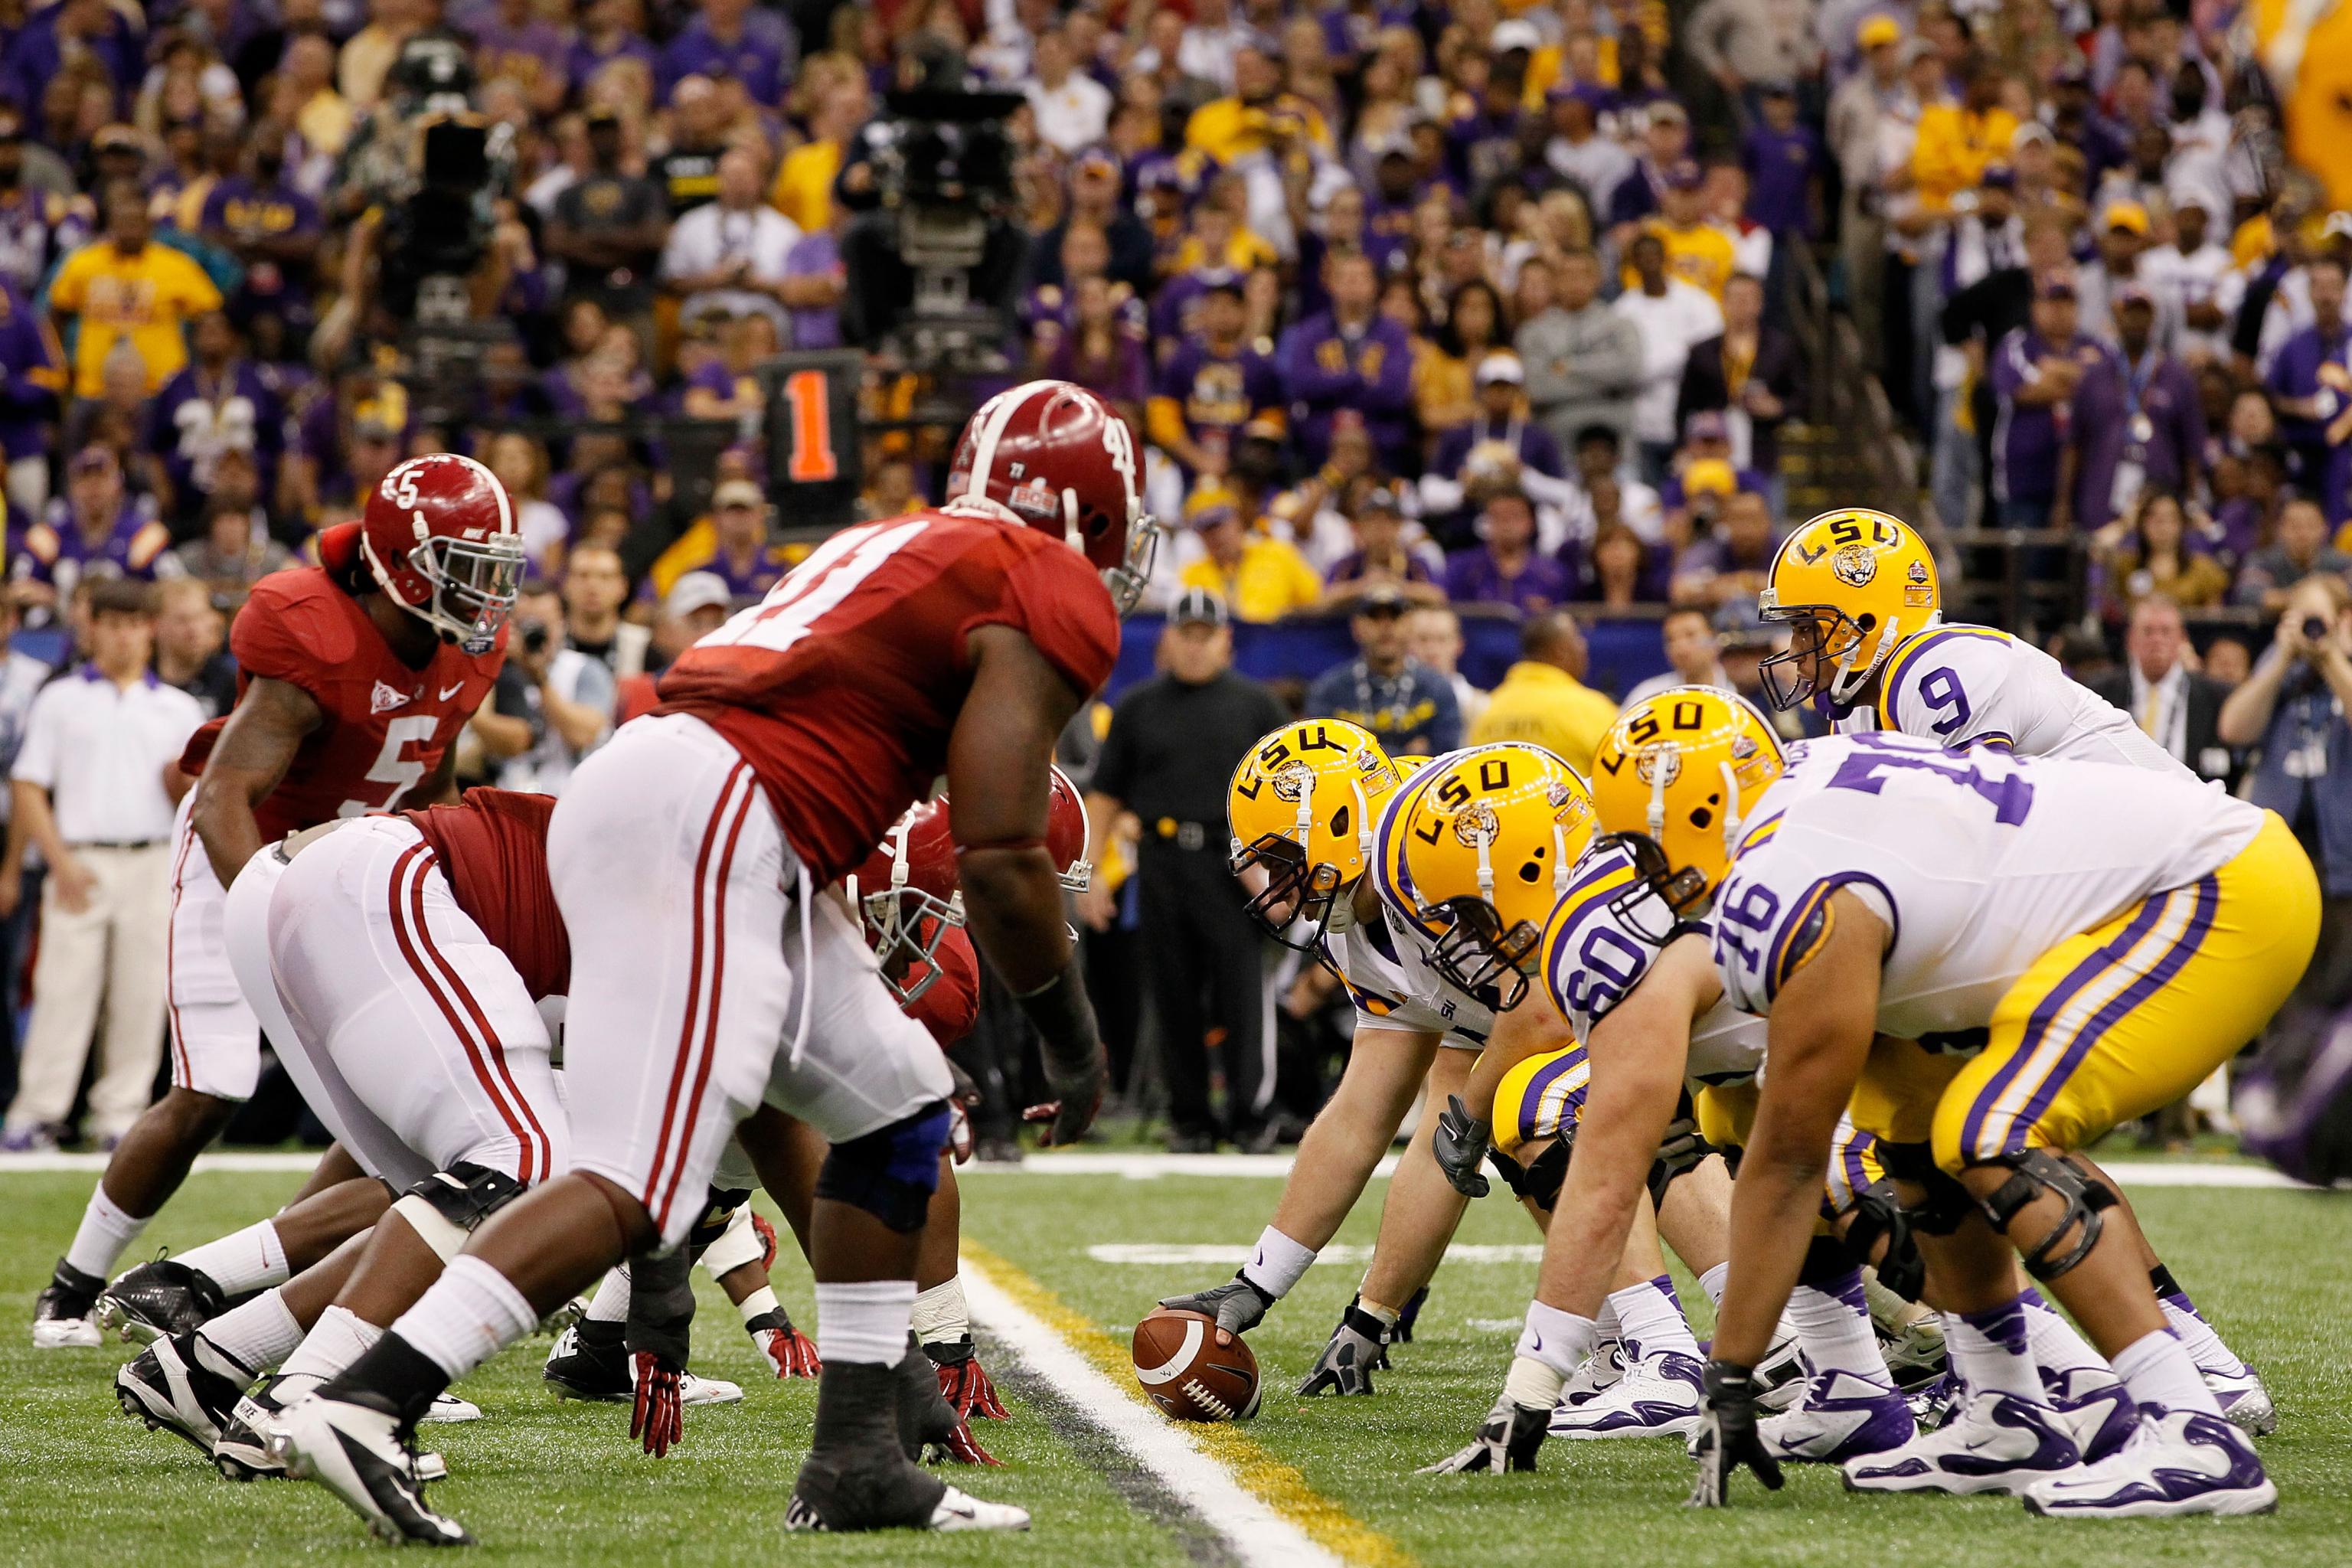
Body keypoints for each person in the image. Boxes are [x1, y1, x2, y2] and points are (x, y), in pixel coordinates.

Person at [273, 381, 1138, 1541]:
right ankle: (370, 1399)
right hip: (719, 818)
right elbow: (1002, 852)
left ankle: (858, 1459)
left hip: (694, 798)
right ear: (1088, 511)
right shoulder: (1043, 579)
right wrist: (1074, 1043)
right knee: (642, 1180)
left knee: (896, 1099)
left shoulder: (897, 543)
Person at [1693, 732, 2308, 1517]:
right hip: (2182, 874)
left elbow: (1787, 1167)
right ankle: (2006, 1411)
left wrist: (1733, 1370)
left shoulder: (1791, 891)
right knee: (1909, 1126)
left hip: (2218, 881)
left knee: (1992, 1130)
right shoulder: (1806, 788)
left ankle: (2192, 1427)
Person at [28, 456, 515, 1352]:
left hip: (352, 864)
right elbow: (222, 798)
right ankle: (70, 1288)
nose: (488, 590)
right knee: (212, 1084)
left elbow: (430, 779)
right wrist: (281, 917)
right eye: (466, 562)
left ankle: (279, 1299)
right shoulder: (313, 630)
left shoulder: (464, 648)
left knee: (382, 1106)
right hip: (240, 853)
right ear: (406, 566)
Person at [1155, 724, 1499, 1391]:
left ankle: (1650, 1342)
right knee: (1482, 1118)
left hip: (1657, 986)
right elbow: (1362, 1117)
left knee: (1534, 1118)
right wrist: (1266, 1286)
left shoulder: (1441, 858)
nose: (1274, 880)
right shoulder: (1359, 910)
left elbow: (1541, 1020)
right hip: (1580, 1015)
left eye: (1283, 855)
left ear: (1341, 825)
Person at [1081, 586, 1287, 1152]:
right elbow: (1104, 798)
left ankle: (1251, 1116)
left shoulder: (1256, 705)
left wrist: (1281, 873)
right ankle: (1190, 1118)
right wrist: (1092, 872)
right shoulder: (1138, 707)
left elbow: (1291, 795)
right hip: (1161, 861)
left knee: (1243, 991)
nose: (1195, 648)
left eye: (1205, 636)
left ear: (1226, 641)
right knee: (1171, 995)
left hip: (1234, 863)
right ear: (1168, 640)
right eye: (1185, 636)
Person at [0, 581, 202, 1152]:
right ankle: (37, 1112)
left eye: (134, 623)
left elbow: (195, 798)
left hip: (153, 860)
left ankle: (120, 1115)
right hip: (80, 859)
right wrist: (57, 860)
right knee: (62, 988)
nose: (123, 635)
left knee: (141, 993)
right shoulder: (61, 698)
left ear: (150, 630)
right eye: (112, 623)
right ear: (92, 629)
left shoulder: (179, 708)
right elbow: (28, 784)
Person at [2220, 572, 2352, 1019]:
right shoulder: (2278, 672)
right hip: (2281, 860)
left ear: (2343, 619)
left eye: (2319, 618)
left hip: (2345, 864)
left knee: (2338, 995)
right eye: (2301, 617)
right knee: (2283, 998)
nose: (2311, 629)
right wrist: (2279, 660)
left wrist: (2333, 657)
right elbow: (2234, 729)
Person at [44, 179, 224, 400]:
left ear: (150, 227)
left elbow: (210, 314)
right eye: (123, 223)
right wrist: (61, 364)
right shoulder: (84, 263)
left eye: (137, 224)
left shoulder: (175, 265)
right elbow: (57, 314)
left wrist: (195, 370)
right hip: (93, 389)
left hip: (161, 388)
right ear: (111, 226)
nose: (130, 231)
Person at [2071, 284, 2205, 531]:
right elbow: (2074, 443)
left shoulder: (2177, 377)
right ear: (2116, 318)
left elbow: (2192, 448)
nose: (2136, 321)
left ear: (2153, 319)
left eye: (2142, 315)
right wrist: (2063, 503)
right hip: (2101, 494)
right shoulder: (2095, 376)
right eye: (2129, 314)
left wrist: (2192, 501)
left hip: (2159, 499)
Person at [1278, 248, 1414, 472]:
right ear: (1331, 284)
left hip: (1378, 441)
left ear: (1375, 286)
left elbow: (1394, 392)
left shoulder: (1393, 333)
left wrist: (1331, 386)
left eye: (1360, 278)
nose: (1353, 285)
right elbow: (1302, 384)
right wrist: (1360, 378)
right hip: (1320, 443)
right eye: (1346, 278)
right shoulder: (1310, 332)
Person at [1991, 276, 2110, 530]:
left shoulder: (2097, 346)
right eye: (2051, 302)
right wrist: (2079, 379)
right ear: (2035, 306)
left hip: (2085, 481)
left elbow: (2109, 389)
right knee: (2025, 564)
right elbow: (2019, 390)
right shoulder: (2018, 344)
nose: (2059, 310)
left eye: (2067, 303)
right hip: (2025, 479)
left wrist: (2056, 369)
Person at [2087, 595, 2234, 785]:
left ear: (2182, 640)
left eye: (2166, 632)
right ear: (2131, 639)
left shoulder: (2216, 696)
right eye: (2148, 632)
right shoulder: (2100, 693)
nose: (2157, 640)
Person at [1612, 233, 1724, 480]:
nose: (1649, 262)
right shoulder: (1623, 309)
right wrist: (1681, 354)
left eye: (1654, 256)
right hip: (1643, 417)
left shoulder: (1697, 302)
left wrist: (1659, 365)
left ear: (1666, 259)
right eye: (1642, 257)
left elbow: (1711, 353)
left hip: (1693, 416)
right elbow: (1627, 369)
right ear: (1633, 263)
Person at [658, 146, 803, 337]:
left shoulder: (786, 230)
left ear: (761, 180)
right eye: (730, 176)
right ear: (717, 179)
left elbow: (800, 289)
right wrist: (714, 279)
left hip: (766, 327)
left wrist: (760, 284)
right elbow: (671, 282)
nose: (738, 183)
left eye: (744, 176)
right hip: (704, 326)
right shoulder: (690, 224)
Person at [1305, 586, 1461, 756]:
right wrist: (1408, 752)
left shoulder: (1437, 688)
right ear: (1357, 627)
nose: (1385, 626)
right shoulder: (1330, 690)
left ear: (1409, 625)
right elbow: (1321, 756)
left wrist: (1360, 753)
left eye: (1394, 616)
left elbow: (1445, 757)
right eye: (1375, 617)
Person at [1518, 249, 1643, 458]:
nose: (1575, 282)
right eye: (1567, 275)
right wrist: (1606, 385)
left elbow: (1630, 371)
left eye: (1583, 274)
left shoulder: (1620, 325)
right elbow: (1538, 387)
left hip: (1616, 443)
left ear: (1597, 279)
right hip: (1558, 444)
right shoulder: (1533, 331)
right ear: (1555, 281)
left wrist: (1567, 367)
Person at [1468, 610, 1621, 776]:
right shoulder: (1591, 709)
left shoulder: (1487, 709)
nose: (1583, 644)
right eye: (1577, 637)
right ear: (1560, 652)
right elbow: (1622, 775)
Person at [1177, 485, 1322, 622]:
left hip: (1278, 641)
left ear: (1238, 521)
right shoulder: (1192, 574)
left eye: (1220, 524)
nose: (1216, 535)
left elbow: (1316, 600)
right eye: (1207, 529)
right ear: (1199, 535)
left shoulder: (1278, 553)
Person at [1444, 488, 1570, 613]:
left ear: (1531, 522)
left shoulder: (1554, 575)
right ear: (1486, 522)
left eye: (1514, 516)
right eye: (1498, 516)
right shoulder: (1461, 568)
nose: (1507, 524)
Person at [2233, 497, 2351, 613]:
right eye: (2294, 526)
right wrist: (2314, 593)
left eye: (2310, 525)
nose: (2302, 533)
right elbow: (2247, 595)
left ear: (2325, 528)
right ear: (2280, 529)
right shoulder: (2261, 560)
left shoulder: (2342, 562)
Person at [152, 578, 237, 720]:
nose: (194, 630)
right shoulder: (139, 680)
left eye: (200, 617)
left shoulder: (228, 681)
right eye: (182, 620)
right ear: (156, 625)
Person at [1625, 606, 1734, 706]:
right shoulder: (1648, 696)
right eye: (1671, 639)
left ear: (1715, 640)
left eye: (1690, 635)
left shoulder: (1738, 692)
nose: (1680, 647)